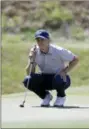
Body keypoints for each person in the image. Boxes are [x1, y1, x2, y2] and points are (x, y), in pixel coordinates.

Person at [23, 29, 79, 107]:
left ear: (48, 40)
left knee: (59, 78)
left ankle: (61, 96)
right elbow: (29, 73)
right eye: (38, 40)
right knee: (27, 79)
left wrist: (65, 71)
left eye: (42, 39)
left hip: (60, 79)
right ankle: (46, 96)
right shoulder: (35, 52)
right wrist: (31, 59)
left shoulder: (58, 50)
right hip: (45, 78)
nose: (40, 42)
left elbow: (75, 59)